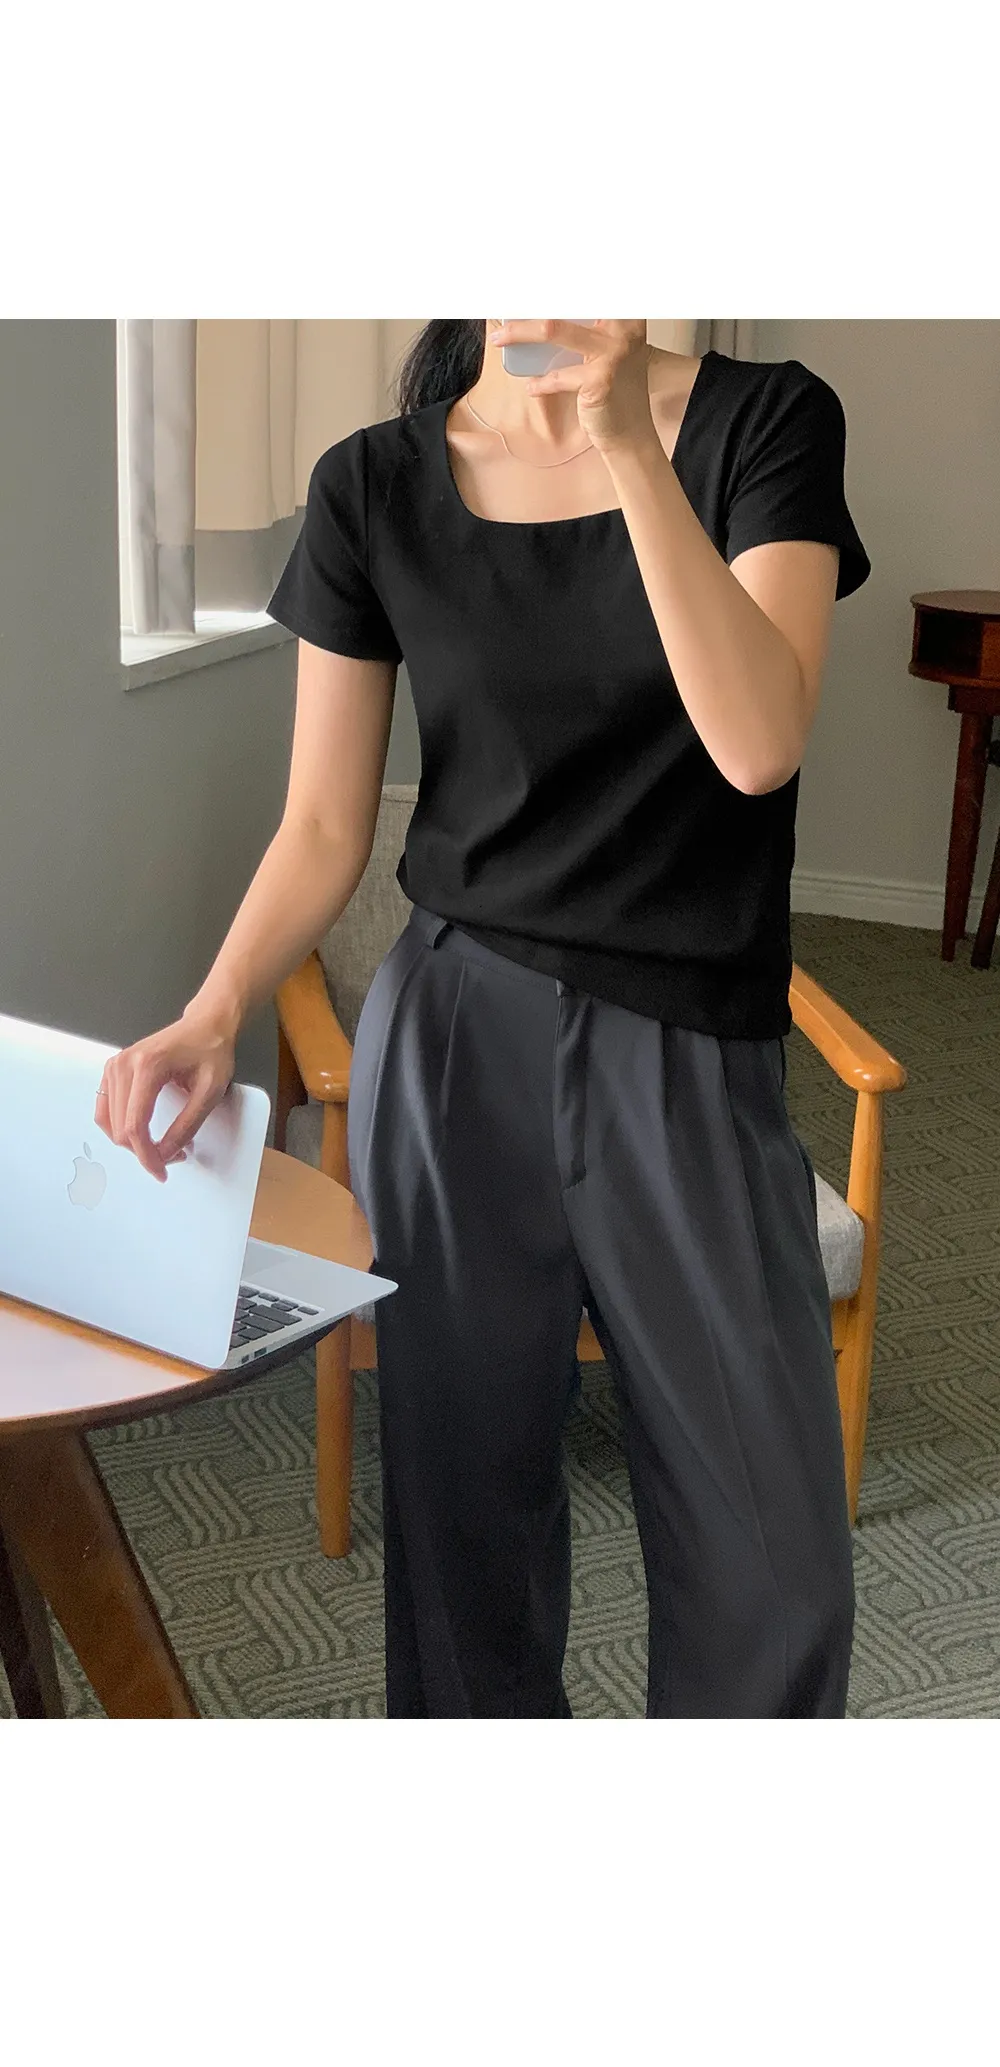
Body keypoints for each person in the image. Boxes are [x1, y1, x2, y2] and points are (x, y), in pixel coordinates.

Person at [96, 320, 872, 1719]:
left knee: (775, 1570)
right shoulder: (371, 483)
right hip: (455, 1039)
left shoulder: (765, 424)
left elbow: (758, 745)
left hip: (687, 1044)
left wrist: (628, 448)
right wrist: (215, 1006)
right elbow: (322, 821)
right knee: (465, 1534)